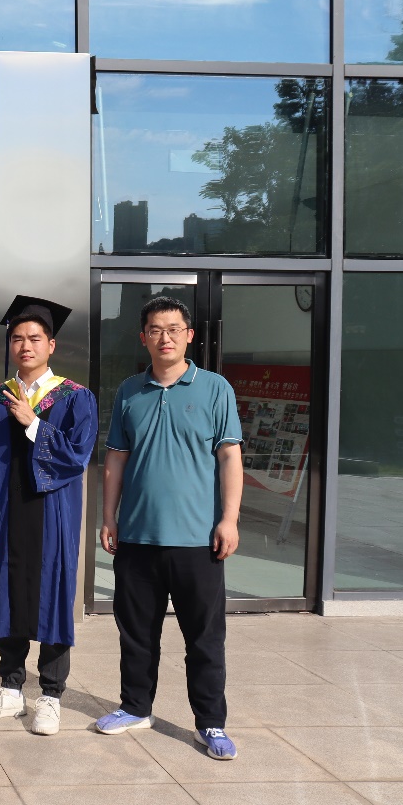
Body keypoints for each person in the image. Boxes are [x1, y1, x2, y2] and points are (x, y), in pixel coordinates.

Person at [96, 296, 243, 761]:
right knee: (137, 634)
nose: (166, 338)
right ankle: (135, 707)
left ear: (189, 335)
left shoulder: (215, 388)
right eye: (156, 330)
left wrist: (229, 519)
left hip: (198, 540)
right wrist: (109, 517)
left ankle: (211, 722)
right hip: (138, 537)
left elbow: (230, 457)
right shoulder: (129, 391)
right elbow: (116, 459)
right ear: (143, 337)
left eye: (174, 329)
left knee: (205, 639)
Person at [0, 296, 98, 736]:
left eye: (35, 338)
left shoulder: (76, 397)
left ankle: (51, 696)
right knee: (8, 595)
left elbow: (77, 457)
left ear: (51, 345)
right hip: (6, 512)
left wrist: (33, 423)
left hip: (53, 514)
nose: (25, 346)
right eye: (18, 338)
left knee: (53, 596)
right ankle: (10, 688)